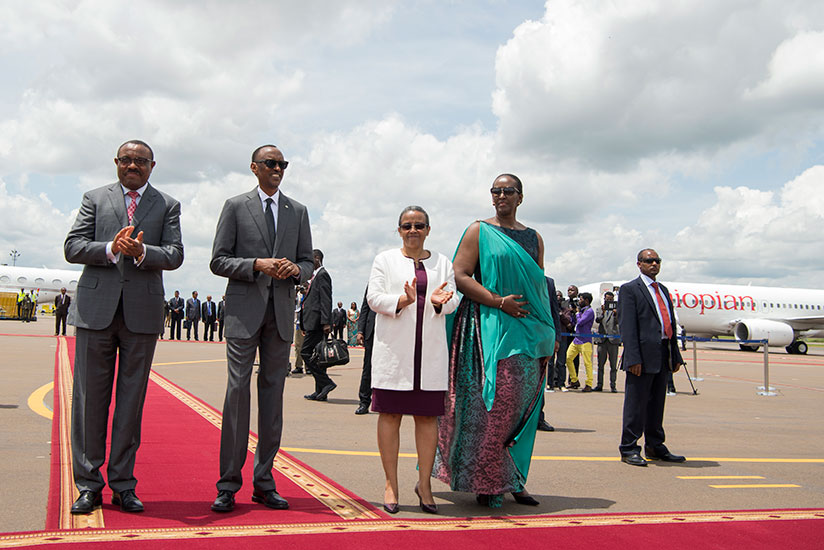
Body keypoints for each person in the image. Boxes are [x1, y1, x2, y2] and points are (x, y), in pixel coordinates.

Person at [64, 139, 183, 514]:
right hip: (96, 313)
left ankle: (123, 484)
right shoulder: (95, 198)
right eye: (127, 160)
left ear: (152, 166)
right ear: (117, 163)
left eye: (141, 161)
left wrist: (143, 253)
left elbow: (176, 254)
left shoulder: (167, 206)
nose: (133, 166)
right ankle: (88, 484)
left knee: (131, 405)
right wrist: (112, 249)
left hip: (141, 316)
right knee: (89, 402)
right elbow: (72, 246)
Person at [434, 174, 555, 509]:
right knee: (494, 405)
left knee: (525, 408)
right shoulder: (478, 231)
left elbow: (537, 287)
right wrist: (498, 301)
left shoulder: (534, 238)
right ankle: (486, 480)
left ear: (520, 197)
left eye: (508, 191)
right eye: (496, 191)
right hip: (489, 327)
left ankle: (514, 478)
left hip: (529, 333)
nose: (501, 195)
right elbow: (459, 275)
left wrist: (550, 333)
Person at [209, 144, 313, 513]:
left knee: (273, 399)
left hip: (280, 314)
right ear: (254, 168)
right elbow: (218, 260)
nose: (278, 169)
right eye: (271, 163)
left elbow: (308, 261)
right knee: (237, 394)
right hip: (243, 313)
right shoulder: (236, 207)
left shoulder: (297, 211)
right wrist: (257, 264)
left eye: (282, 164)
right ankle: (228, 483)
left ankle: (264, 481)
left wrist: (296, 270)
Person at [368, 206, 459, 514]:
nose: (413, 230)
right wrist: (403, 300)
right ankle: (390, 483)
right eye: (407, 225)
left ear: (428, 230)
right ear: (399, 230)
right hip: (395, 353)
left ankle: (425, 484)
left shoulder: (442, 262)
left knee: (426, 418)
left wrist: (439, 303)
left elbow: (454, 297)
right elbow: (373, 298)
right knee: (390, 416)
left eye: (419, 225)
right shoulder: (385, 260)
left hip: (429, 353)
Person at [618, 248, 686, 467]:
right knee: (636, 404)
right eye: (649, 261)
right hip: (641, 356)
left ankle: (655, 445)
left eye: (657, 260)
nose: (654, 264)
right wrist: (633, 358)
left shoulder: (663, 290)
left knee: (657, 404)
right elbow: (628, 327)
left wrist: (675, 355)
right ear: (639, 264)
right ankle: (629, 447)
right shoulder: (630, 290)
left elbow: (670, 326)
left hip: (663, 353)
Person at [300, 249, 335, 401]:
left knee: (305, 352)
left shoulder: (323, 275)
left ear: (317, 258)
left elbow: (326, 299)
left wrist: (326, 322)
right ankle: (320, 391)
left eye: (310, 259)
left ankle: (326, 383)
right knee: (318, 356)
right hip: (312, 322)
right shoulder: (314, 277)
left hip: (317, 323)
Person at [538, 276, 562, 432]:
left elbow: (554, 311)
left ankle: (538, 418)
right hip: (515, 336)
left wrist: (556, 338)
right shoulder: (512, 272)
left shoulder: (548, 282)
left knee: (539, 381)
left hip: (541, 337)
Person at [565, 292, 595, 392]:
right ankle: (574, 380)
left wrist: (577, 313)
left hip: (585, 341)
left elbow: (581, 322)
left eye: (581, 299)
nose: (579, 301)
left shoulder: (589, 311)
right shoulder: (582, 310)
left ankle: (589, 384)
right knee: (568, 358)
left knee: (587, 363)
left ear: (586, 301)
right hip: (577, 339)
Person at [354, 286, 376, 415]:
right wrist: (360, 330)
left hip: (391, 333)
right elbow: (365, 308)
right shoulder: (373, 282)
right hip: (371, 332)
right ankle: (364, 402)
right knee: (368, 368)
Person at [594, 291, 620, 392]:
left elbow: (619, 322)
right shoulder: (599, 309)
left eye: (610, 300)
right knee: (600, 364)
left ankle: (613, 385)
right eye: (607, 299)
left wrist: (615, 314)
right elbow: (598, 320)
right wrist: (603, 312)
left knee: (613, 365)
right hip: (602, 340)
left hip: (613, 340)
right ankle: (599, 384)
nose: (608, 301)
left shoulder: (617, 310)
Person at [291, 286, 306, 373]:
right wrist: (295, 293)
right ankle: (298, 365)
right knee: (298, 346)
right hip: (298, 323)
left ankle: (308, 366)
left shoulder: (309, 291)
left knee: (308, 346)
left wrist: (306, 292)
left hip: (307, 322)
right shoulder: (298, 294)